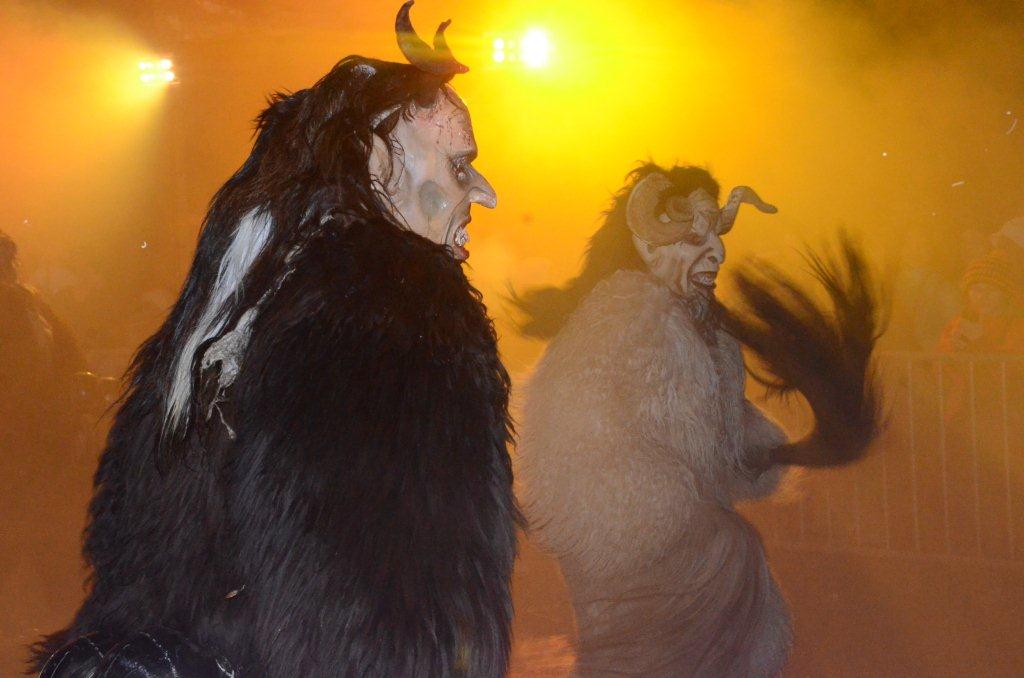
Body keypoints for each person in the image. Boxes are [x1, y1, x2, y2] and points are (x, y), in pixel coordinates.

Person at [36, 3, 520, 676]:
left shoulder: (240, 300)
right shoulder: (394, 317)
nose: (486, 194)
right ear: (377, 160)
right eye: (460, 166)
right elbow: (381, 623)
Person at [514, 164, 883, 676]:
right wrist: (690, 531)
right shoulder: (620, 322)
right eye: (693, 238)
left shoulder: (706, 330)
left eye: (716, 235)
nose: (717, 253)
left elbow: (721, 444)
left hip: (691, 556)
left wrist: (782, 453)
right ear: (649, 246)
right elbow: (574, 453)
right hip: (640, 562)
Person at [938, 248, 1024, 354]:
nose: (982, 296)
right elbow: (940, 362)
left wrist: (979, 341)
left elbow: (1013, 363)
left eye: (991, 289)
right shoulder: (959, 324)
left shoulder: (1018, 325)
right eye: (976, 289)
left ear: (1005, 293)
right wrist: (952, 348)